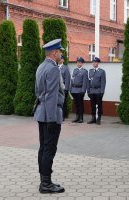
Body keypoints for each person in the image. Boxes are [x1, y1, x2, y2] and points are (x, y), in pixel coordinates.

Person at [34, 38, 65, 193]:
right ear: (54, 53)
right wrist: (52, 118)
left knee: (44, 147)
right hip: (50, 114)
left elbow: (37, 92)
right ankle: (46, 184)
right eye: (60, 51)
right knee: (49, 148)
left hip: (42, 113)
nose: (61, 53)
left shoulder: (41, 66)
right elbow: (52, 95)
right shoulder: (53, 69)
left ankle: (44, 180)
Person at [87, 57, 106, 125]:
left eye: (95, 62)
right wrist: (88, 91)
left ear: (98, 63)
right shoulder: (90, 71)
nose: (94, 63)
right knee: (92, 105)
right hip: (92, 90)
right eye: (93, 62)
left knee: (99, 105)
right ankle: (93, 118)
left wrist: (102, 91)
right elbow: (88, 82)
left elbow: (103, 82)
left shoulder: (101, 71)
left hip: (98, 90)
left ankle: (99, 118)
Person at [70, 57, 88, 123]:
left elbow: (85, 82)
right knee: (76, 104)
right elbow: (72, 80)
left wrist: (83, 91)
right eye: (77, 62)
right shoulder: (74, 70)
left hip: (80, 90)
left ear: (82, 63)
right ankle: (77, 117)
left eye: (80, 62)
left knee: (80, 104)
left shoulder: (84, 71)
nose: (78, 63)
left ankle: (81, 118)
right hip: (74, 90)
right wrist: (70, 89)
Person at [58, 55, 71, 121]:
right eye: (59, 59)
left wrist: (66, 89)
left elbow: (67, 79)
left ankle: (62, 116)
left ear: (63, 60)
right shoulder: (55, 67)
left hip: (63, 89)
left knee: (63, 103)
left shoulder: (65, 68)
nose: (59, 60)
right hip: (56, 89)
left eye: (61, 59)